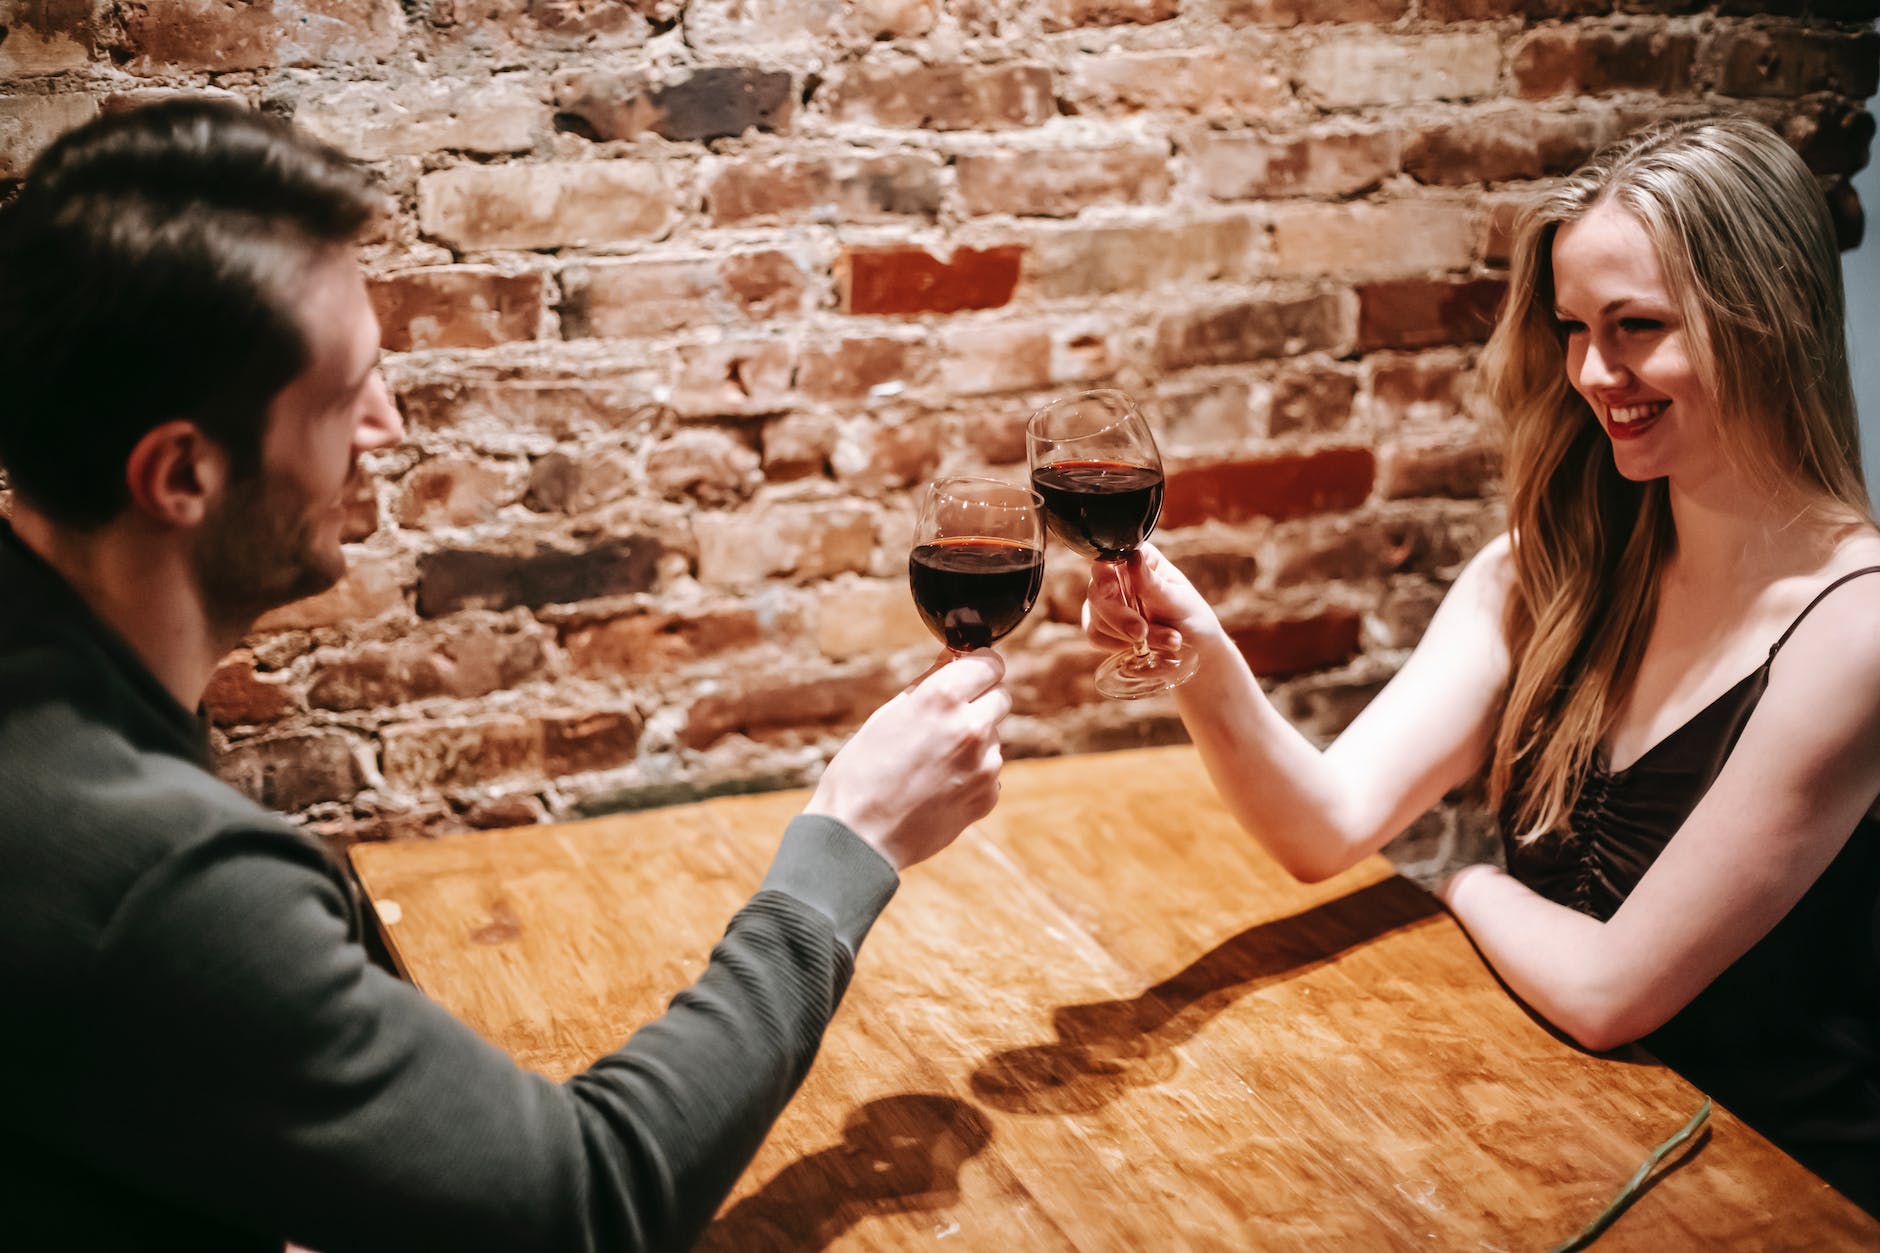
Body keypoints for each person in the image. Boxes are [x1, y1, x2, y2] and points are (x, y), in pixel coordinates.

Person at [0, 100, 1013, 1251]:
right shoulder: (158, 883)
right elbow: (583, 1201)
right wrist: (851, 837)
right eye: (344, 394)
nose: (383, 425)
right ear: (181, 473)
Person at [1085, 116, 1880, 1212]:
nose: (1593, 373)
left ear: (1769, 322)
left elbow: (1608, 991)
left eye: (1634, 326)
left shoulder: (1855, 627)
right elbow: (1321, 826)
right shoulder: (1542, 574)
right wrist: (1200, 659)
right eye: (1571, 328)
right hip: (1572, 1146)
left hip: (1782, 1198)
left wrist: (1460, 880)